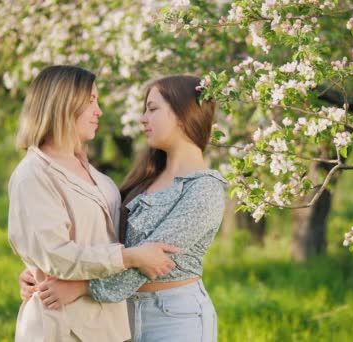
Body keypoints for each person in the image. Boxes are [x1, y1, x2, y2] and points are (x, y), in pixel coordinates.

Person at [20, 75, 227, 341]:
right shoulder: (145, 179)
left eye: (152, 109)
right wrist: (45, 273)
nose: (143, 118)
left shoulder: (204, 189)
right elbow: (106, 238)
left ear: (183, 114)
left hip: (176, 317)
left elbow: (151, 259)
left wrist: (81, 287)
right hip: (123, 314)